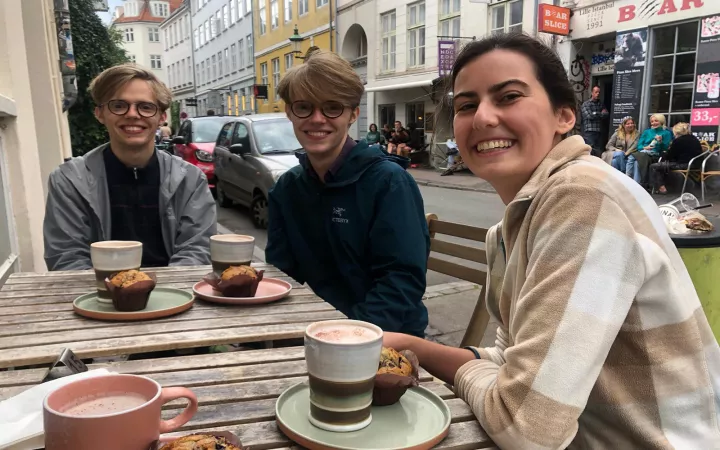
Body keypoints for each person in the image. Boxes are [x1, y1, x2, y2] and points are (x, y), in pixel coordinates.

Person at [383, 33, 720, 448]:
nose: (483, 117)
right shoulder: (516, 223)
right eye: (467, 105)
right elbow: (516, 366)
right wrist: (408, 345)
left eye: (508, 97)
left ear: (564, 116)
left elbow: (527, 428)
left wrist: (492, 384)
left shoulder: (582, 197)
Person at [265, 50, 430, 337]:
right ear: (290, 112)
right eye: (304, 107)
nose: (317, 119)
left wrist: (347, 336)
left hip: (385, 337)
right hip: (317, 330)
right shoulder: (287, 188)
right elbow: (281, 274)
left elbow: (400, 282)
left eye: (332, 107)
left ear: (353, 114)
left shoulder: (388, 183)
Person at [43, 64, 217, 271]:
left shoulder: (190, 179)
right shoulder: (69, 180)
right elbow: (66, 257)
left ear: (161, 117)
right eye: (118, 106)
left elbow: (198, 250)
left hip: (174, 294)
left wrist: (167, 292)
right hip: (99, 296)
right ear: (99, 114)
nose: (133, 114)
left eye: (145, 107)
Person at [650, 122, 704, 194]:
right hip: (695, 164)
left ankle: (661, 188)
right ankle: (663, 187)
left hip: (684, 164)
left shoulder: (678, 141)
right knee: (662, 166)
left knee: (654, 166)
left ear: (676, 132)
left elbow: (670, 156)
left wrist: (664, 153)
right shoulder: (694, 139)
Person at [626, 113, 673, 186]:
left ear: (661, 121)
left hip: (655, 154)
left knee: (632, 157)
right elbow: (639, 146)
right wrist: (645, 147)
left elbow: (665, 148)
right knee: (636, 162)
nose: (654, 123)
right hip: (643, 152)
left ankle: (627, 178)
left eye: (656, 121)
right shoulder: (646, 132)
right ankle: (636, 184)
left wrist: (660, 142)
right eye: (652, 121)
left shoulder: (666, 133)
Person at [580, 86, 609, 157]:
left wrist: (595, 113)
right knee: (589, 150)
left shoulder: (601, 104)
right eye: (596, 92)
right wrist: (600, 113)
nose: (598, 94)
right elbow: (589, 116)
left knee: (599, 151)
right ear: (592, 93)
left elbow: (606, 114)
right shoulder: (586, 104)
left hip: (599, 131)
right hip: (589, 132)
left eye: (599, 92)